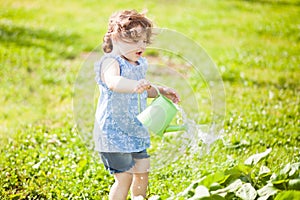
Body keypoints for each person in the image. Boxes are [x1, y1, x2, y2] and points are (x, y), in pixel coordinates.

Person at [93, 10, 180, 200]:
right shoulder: (111, 62)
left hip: (134, 130)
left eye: (144, 41)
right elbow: (113, 82)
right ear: (116, 39)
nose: (141, 45)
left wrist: (160, 90)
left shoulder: (138, 63)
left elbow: (142, 90)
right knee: (124, 177)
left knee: (142, 172)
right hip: (113, 133)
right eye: (134, 40)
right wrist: (134, 85)